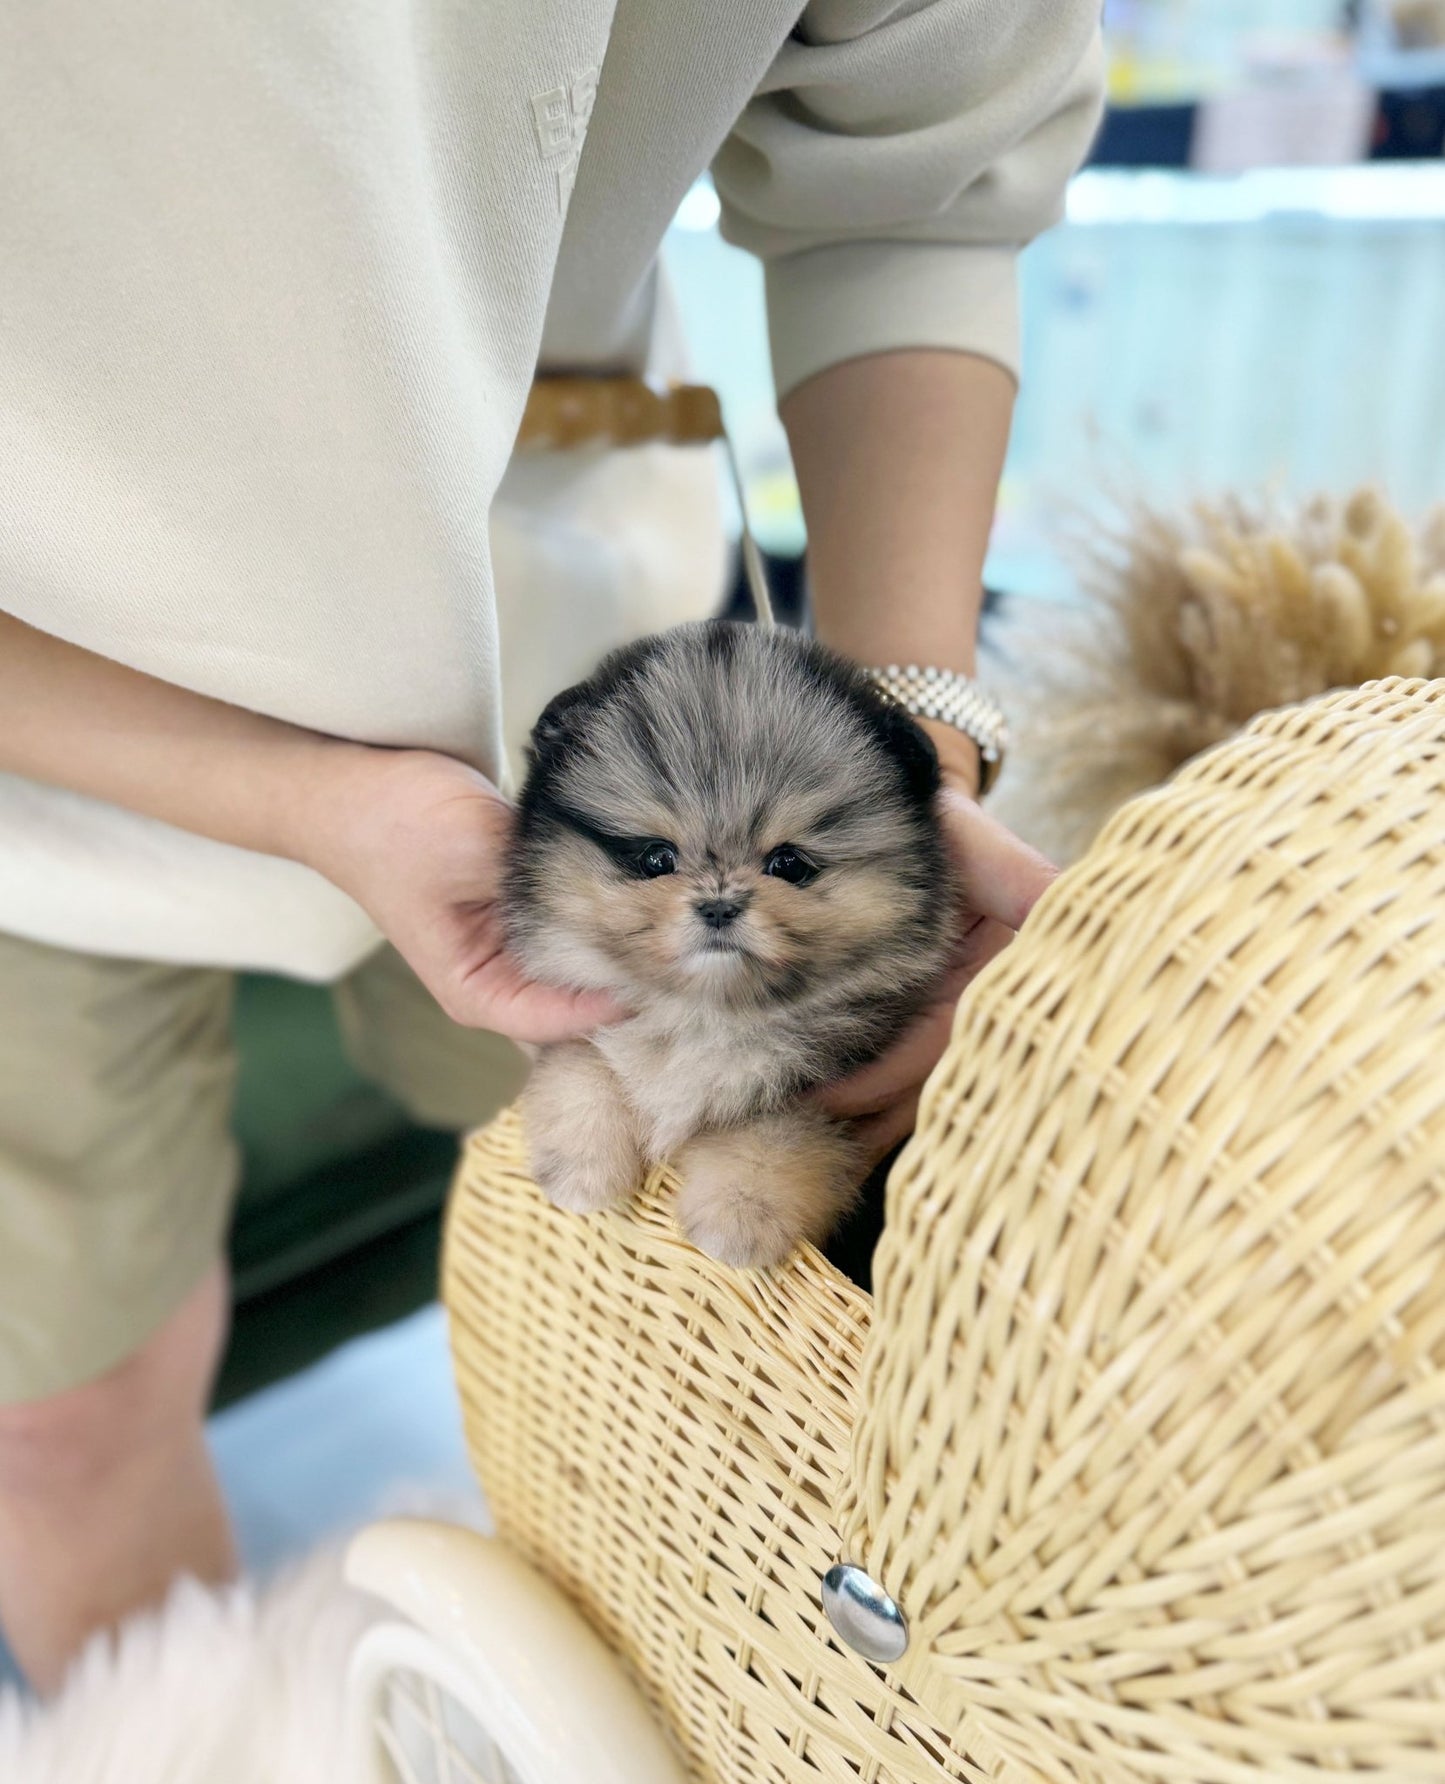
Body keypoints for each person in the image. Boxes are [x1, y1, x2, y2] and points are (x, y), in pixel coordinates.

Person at [0, 0, 1104, 1690]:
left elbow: (918, 170)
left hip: (604, 653)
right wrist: (296, 797)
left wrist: (903, 736)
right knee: (57, 1414)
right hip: (41, 759)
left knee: (708, 1286)